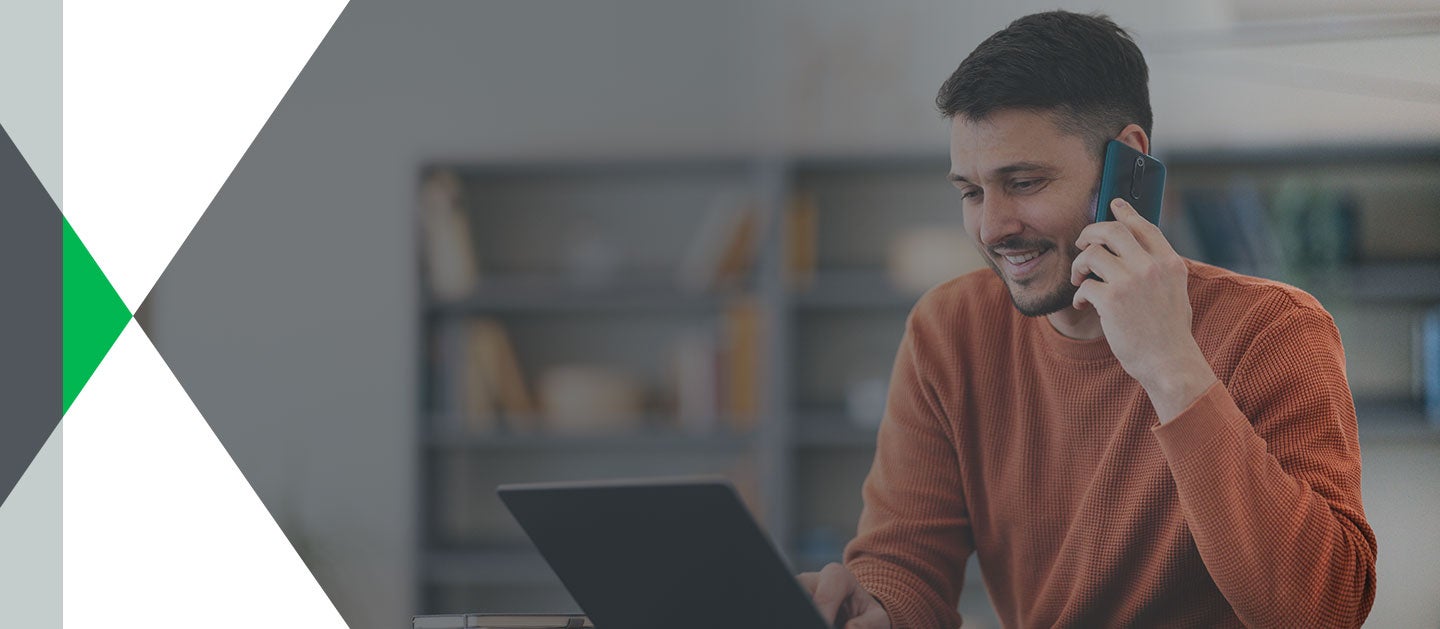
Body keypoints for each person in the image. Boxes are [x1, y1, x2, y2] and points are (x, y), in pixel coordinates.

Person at [796, 10, 1376, 628]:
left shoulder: (1275, 331)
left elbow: (1322, 612)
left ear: (1126, 161)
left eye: (1023, 182)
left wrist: (1170, 364)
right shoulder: (949, 330)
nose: (991, 228)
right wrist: (878, 608)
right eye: (970, 191)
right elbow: (906, 563)